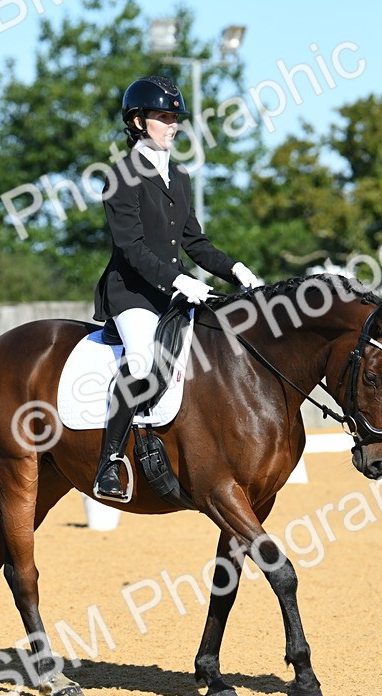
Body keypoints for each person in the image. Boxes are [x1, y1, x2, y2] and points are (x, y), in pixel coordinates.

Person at [92, 74, 264, 501]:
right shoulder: (121, 177)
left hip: (173, 289)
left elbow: (195, 242)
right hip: (132, 293)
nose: (173, 125)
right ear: (137, 121)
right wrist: (180, 279)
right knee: (140, 358)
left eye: (175, 118)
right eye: (164, 117)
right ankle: (109, 462)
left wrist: (237, 270)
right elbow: (130, 248)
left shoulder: (180, 177)